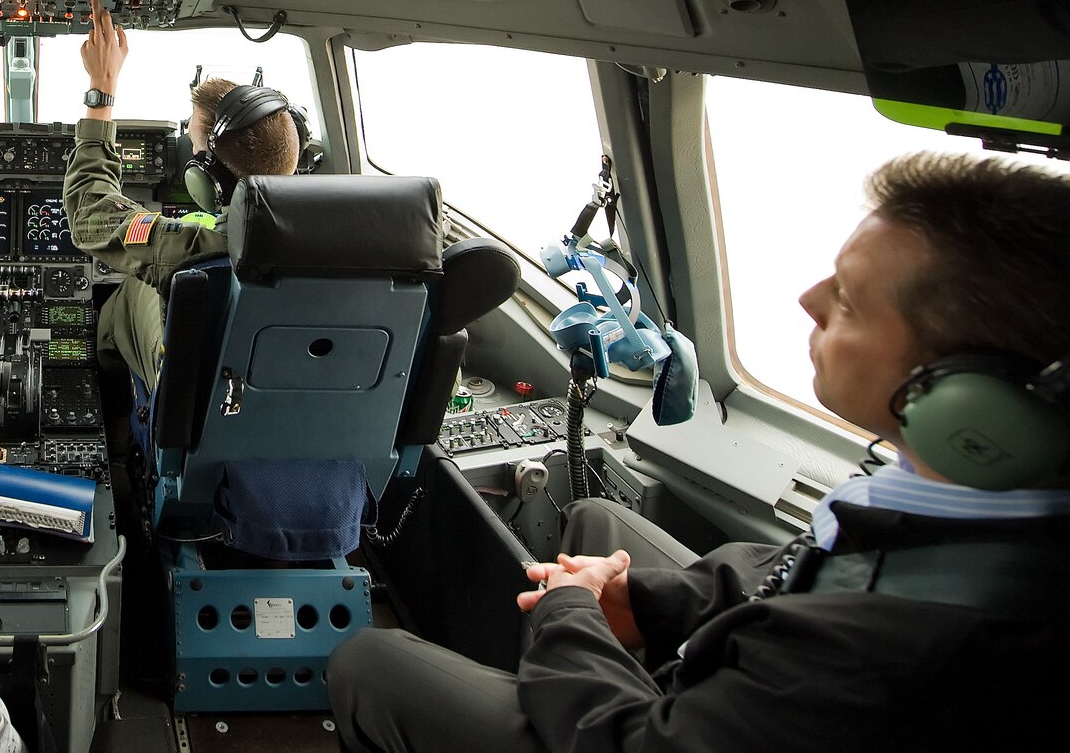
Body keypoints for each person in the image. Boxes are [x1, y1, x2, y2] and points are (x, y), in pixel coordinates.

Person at [328, 151, 1070, 753]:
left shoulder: (916, 637)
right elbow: (786, 572)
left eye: (846, 300)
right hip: (724, 705)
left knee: (373, 662)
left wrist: (571, 615)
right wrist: (640, 602)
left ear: (965, 393)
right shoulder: (954, 498)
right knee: (592, 518)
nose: (810, 301)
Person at [63, 0, 299, 391]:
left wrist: (101, 89)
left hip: (199, 416)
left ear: (210, 180)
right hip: (313, 417)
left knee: (135, 285)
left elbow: (90, 210)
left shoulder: (197, 250)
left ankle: (118, 409)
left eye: (193, 146)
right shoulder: (383, 237)